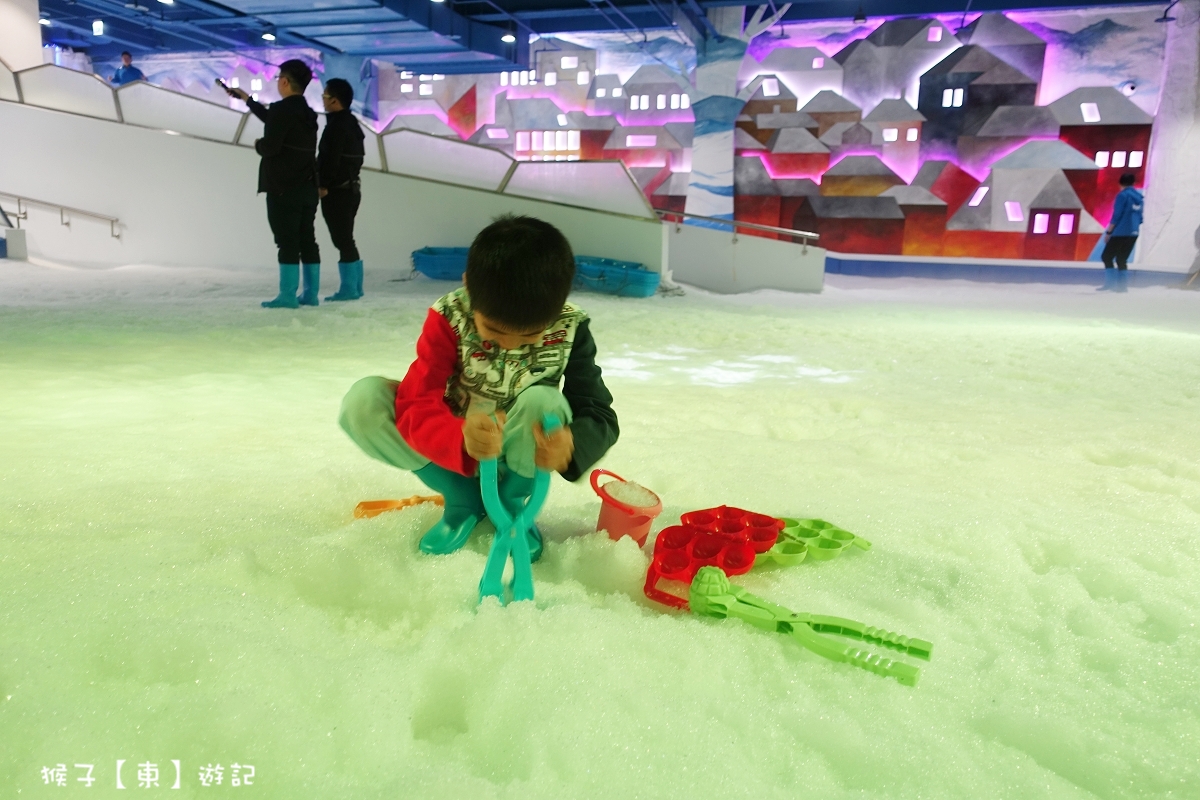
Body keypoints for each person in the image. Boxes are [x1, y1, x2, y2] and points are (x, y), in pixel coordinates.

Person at [337, 215, 619, 560]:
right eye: (494, 332)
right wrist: (459, 439)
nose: (511, 346)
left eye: (531, 335)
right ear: (469, 287)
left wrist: (572, 444)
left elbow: (598, 412)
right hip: (456, 452)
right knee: (364, 402)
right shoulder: (449, 318)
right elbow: (416, 401)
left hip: (521, 452)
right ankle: (462, 498)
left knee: (544, 399)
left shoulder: (571, 328)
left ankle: (511, 504)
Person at [228, 60, 321, 308]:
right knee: (307, 240)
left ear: (284, 82)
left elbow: (271, 146)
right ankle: (311, 295)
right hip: (307, 187)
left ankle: (288, 295)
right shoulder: (309, 114)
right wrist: (248, 100)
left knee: (286, 241)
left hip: (283, 188)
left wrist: (258, 144)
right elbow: (273, 119)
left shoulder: (282, 110)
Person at [318, 78, 366, 302]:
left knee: (342, 239)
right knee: (347, 238)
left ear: (335, 101)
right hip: (352, 189)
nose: (323, 101)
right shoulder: (353, 125)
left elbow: (330, 160)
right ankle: (355, 286)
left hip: (338, 191)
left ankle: (350, 289)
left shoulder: (336, 127)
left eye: (325, 96)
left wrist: (323, 184)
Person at [1099, 173, 1144, 293]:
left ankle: (1110, 284)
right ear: (1134, 184)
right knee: (1122, 259)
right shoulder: (1139, 197)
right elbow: (1140, 218)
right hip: (1134, 232)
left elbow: (1116, 215)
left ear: (1120, 183)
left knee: (1107, 256)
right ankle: (1122, 287)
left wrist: (1109, 232)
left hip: (1120, 232)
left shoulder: (1122, 196)